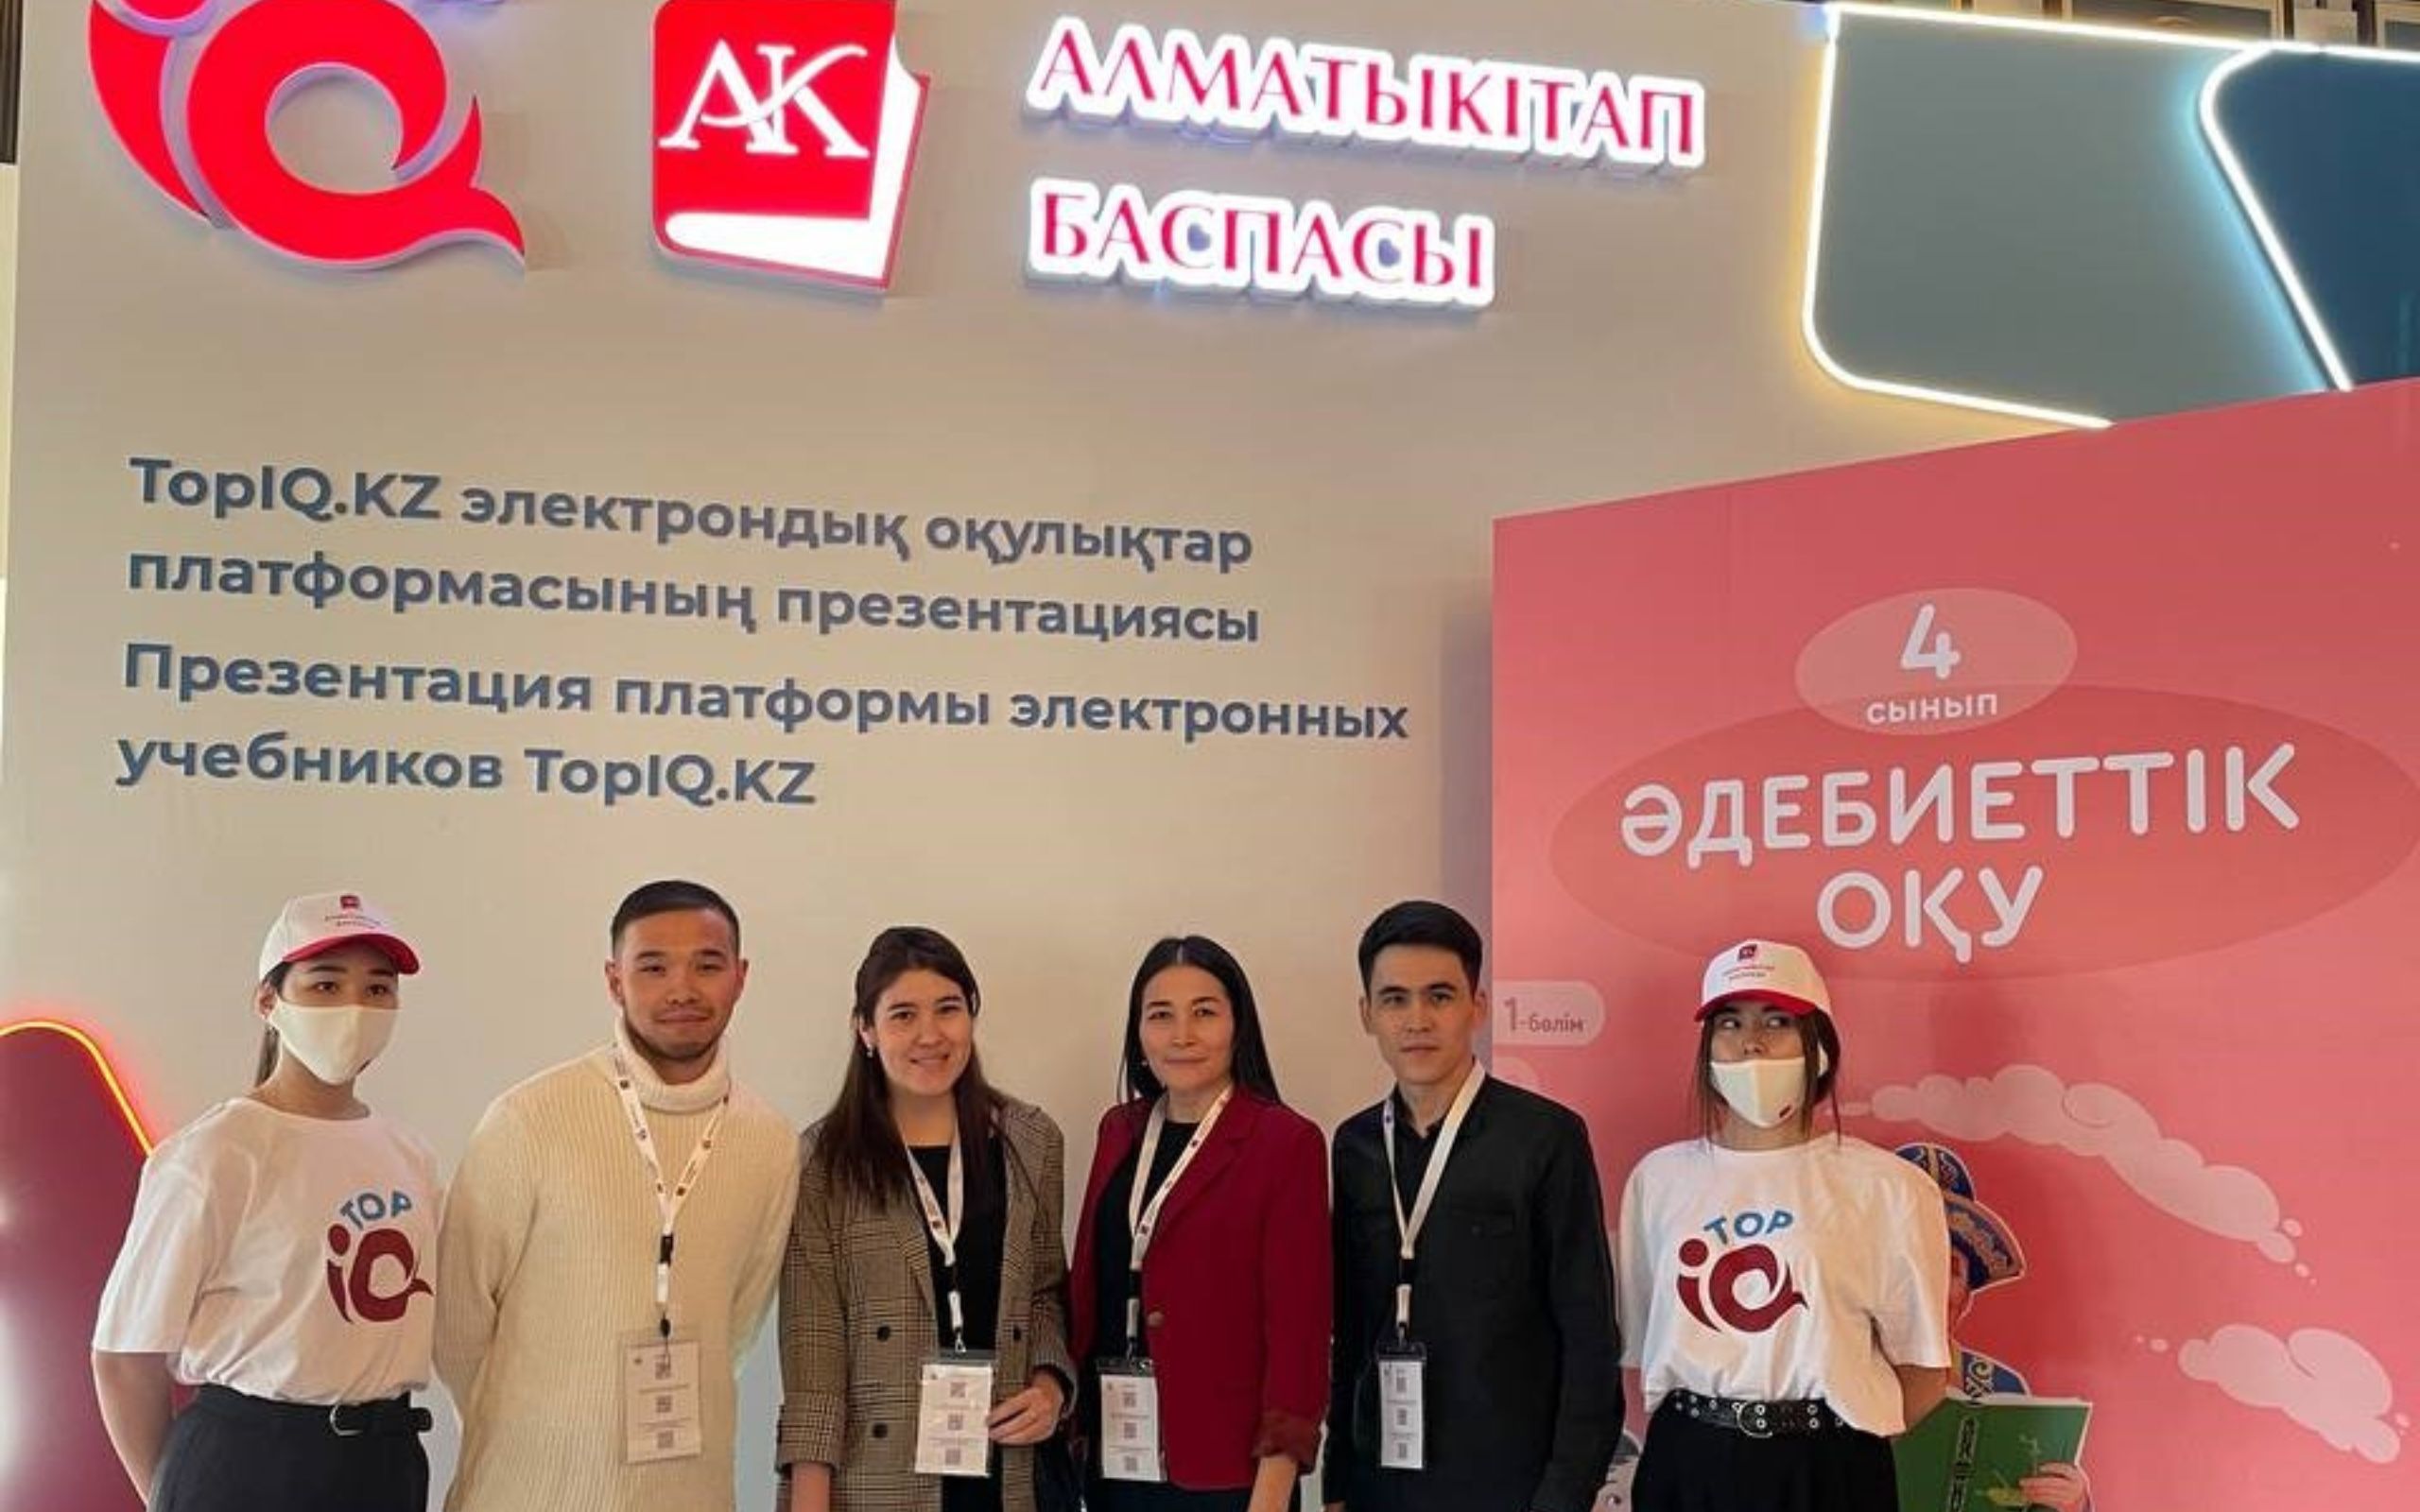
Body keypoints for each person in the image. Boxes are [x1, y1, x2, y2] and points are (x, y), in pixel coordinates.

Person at [435, 879, 799, 1512]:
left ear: (740, 977)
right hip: (527, 1493)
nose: (682, 989)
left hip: (687, 1493)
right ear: (614, 980)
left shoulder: (769, 1140)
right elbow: (458, 1321)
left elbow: (734, 1327)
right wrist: (538, 1433)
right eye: (653, 967)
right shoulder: (530, 1118)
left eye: (707, 965)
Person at [91, 891, 437, 1512]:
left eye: (377, 989)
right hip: (250, 1461)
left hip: (385, 1458)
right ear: (268, 1002)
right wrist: (173, 1496)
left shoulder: (408, 1154)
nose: (355, 1007)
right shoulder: (216, 1153)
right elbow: (123, 1359)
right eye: (326, 985)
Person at [1617, 938, 1952, 1512]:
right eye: (1730, 1022)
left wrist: (1833, 1449)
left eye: (1777, 1021)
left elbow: (1922, 1370)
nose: (1752, 1041)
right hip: (1689, 1458)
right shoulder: (1658, 1180)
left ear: (1819, 1046)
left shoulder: (1887, 1186)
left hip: (1828, 1463)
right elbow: (1644, 1339)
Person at [1324, 900, 1624, 1512]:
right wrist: (1339, 1482)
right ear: (1366, 1015)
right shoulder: (1355, 1146)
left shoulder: (1546, 1137)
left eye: (1439, 996)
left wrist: (1565, 1494)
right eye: (1394, 999)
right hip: (1384, 1481)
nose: (1417, 1020)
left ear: (1477, 1006)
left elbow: (1589, 1335)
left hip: (1512, 1484)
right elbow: (1350, 1329)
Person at [776, 925, 1077, 1512]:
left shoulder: (1031, 1140)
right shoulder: (822, 1162)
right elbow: (812, 1351)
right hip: (877, 1479)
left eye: (948, 1009)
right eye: (903, 1015)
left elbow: (1044, 1291)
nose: (930, 1035)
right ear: (865, 1030)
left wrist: (1050, 1387)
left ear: (972, 1015)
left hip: (1008, 1470)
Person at [1068, 936, 1330, 1512]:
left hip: (1228, 1472)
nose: (1181, 1035)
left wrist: (1274, 1487)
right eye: (1161, 1015)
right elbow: (1091, 1286)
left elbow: (1299, 1330)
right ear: (1138, 1033)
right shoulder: (1119, 1131)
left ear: (1238, 1026)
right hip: (1116, 1457)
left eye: (1204, 1013)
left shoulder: (1285, 1142)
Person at [1895, 1143, 2093, 1512]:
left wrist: (2069, 1501)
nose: (1929, 1287)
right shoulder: (1836, 1376)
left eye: (1950, 1270)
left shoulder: (1999, 1388)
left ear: (1967, 1295)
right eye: (1911, 1266)